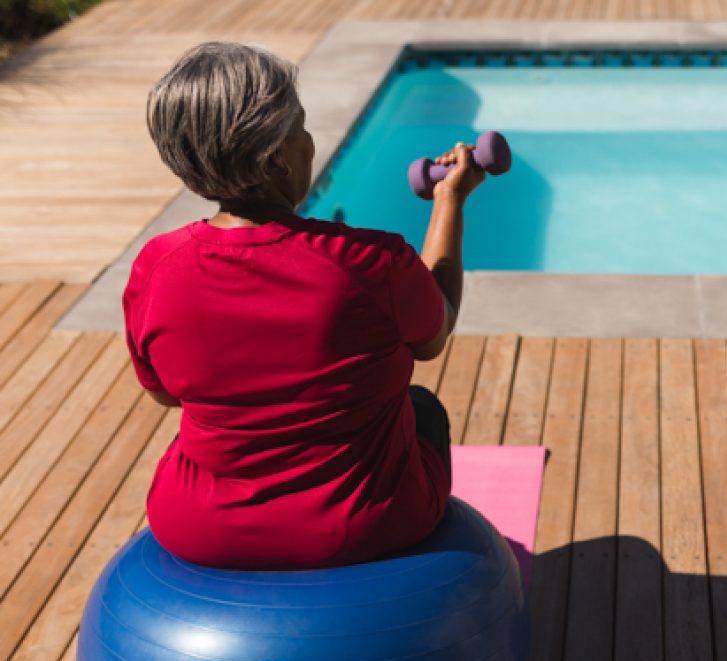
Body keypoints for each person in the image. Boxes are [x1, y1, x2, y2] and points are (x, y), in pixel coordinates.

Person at [123, 42, 484, 569]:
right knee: (423, 405)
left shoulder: (156, 267)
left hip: (200, 527)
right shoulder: (371, 262)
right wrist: (450, 202)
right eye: (302, 128)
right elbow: (436, 332)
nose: (310, 143)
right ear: (275, 158)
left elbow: (163, 396)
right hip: (367, 524)